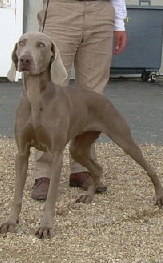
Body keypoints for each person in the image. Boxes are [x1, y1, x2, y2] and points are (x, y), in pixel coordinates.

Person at [31, 0, 128, 200]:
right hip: (61, 9)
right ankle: (44, 174)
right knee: (50, 92)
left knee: (93, 97)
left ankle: (82, 167)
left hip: (101, 13)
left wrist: (119, 22)